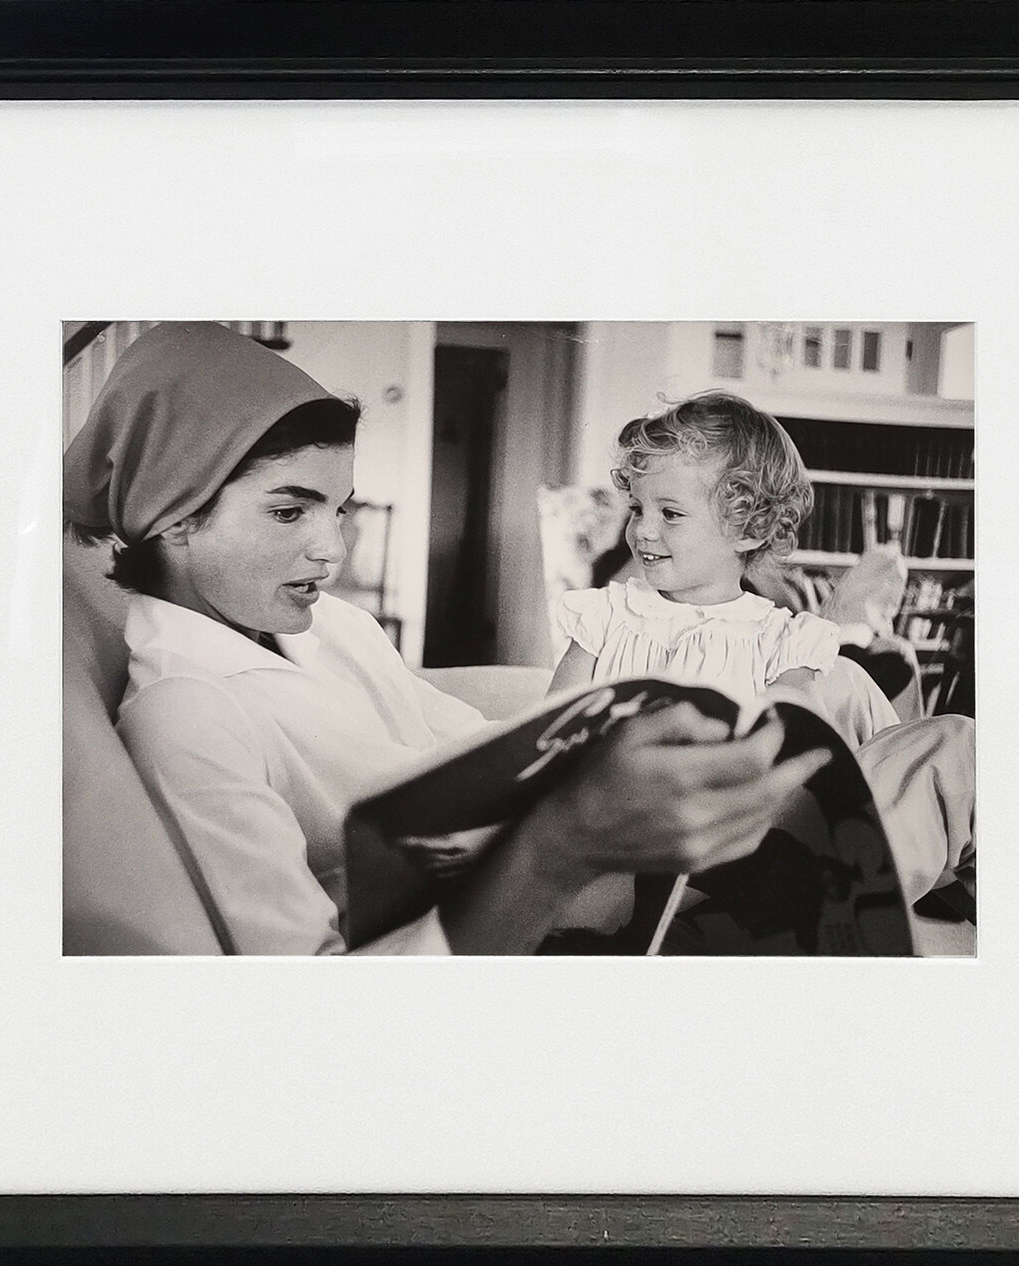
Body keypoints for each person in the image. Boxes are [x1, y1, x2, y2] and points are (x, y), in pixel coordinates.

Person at [63, 323, 832, 956]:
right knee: (878, 801)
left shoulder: (328, 624)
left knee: (898, 751)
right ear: (175, 514)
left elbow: (461, 739)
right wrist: (563, 843)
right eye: (290, 512)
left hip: (584, 863)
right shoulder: (186, 716)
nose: (334, 550)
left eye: (339, 509)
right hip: (529, 917)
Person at [548, 391, 900, 750]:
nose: (641, 530)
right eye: (638, 509)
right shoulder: (605, 617)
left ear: (750, 531)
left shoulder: (782, 642)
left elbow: (781, 751)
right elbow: (548, 733)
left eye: (670, 514)